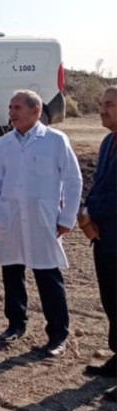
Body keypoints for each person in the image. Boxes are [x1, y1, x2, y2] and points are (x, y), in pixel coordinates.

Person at [0, 90, 83, 358]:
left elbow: (73, 181)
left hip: (43, 220)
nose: (12, 112)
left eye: (17, 107)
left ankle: (57, 334)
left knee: (48, 277)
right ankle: (15, 323)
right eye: (10, 107)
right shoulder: (5, 143)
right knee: (12, 274)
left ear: (35, 111)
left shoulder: (55, 140)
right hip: (12, 218)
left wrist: (66, 218)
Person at [79, 86, 117, 388]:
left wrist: (90, 209)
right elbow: (99, 183)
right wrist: (86, 215)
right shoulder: (107, 143)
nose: (102, 110)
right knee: (111, 299)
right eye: (101, 103)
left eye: (110, 104)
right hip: (105, 237)